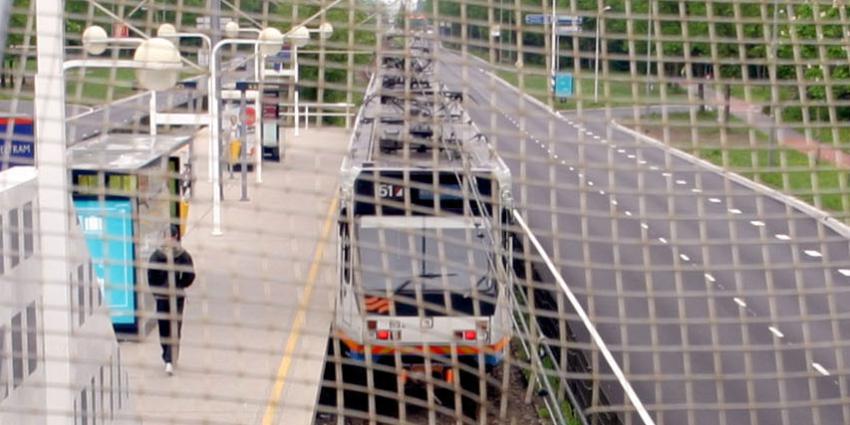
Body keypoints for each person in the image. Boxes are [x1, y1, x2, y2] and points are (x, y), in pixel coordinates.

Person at [147, 224, 195, 375]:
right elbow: (151, 276)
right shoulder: (158, 256)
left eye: (171, 236)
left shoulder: (181, 256)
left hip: (173, 297)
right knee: (166, 328)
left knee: (172, 327)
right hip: (165, 297)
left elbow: (190, 275)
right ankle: (168, 355)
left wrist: (180, 284)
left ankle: (169, 359)